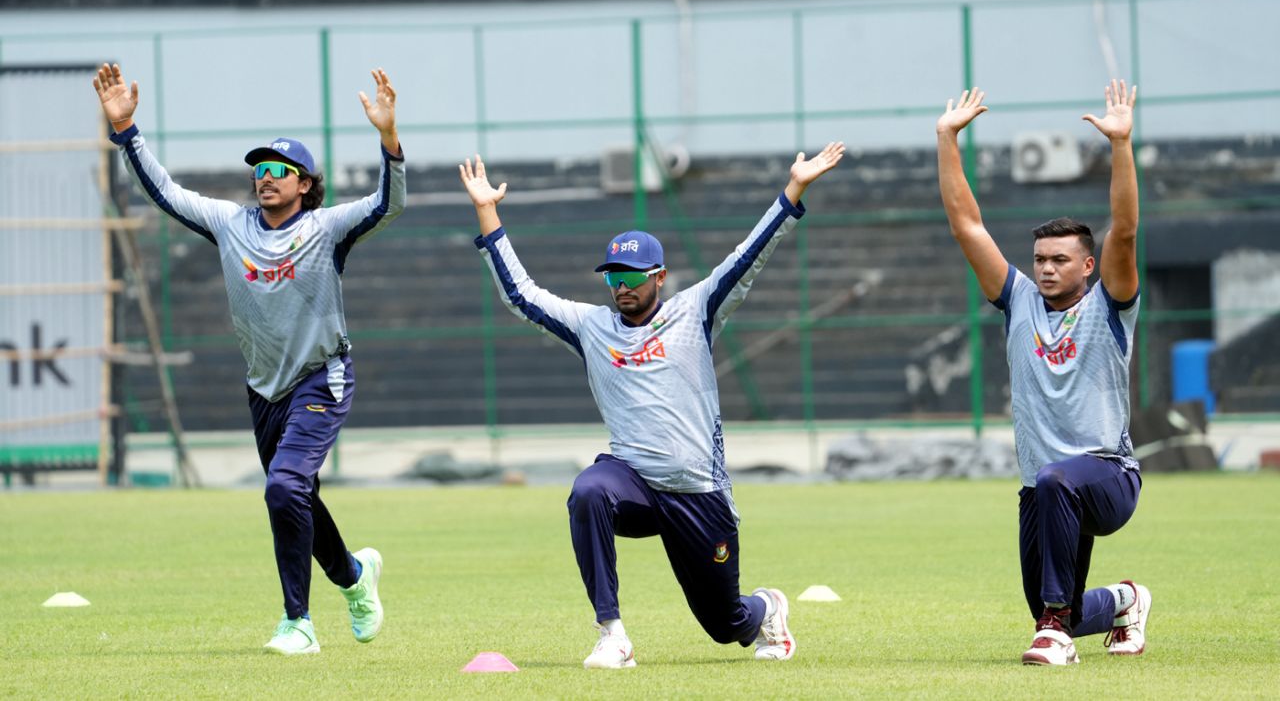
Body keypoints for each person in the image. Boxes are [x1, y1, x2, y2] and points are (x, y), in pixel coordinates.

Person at [459, 142, 845, 668]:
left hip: (698, 493)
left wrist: (793, 190)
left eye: (632, 276)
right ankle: (611, 634)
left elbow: (748, 258)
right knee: (588, 491)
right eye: (613, 277)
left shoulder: (696, 310)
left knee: (725, 623)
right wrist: (488, 211)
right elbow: (522, 296)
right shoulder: (592, 327)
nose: (621, 287)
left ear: (659, 277)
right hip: (633, 484)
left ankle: (766, 609)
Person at [93, 62, 405, 655]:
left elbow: (389, 204)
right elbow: (164, 192)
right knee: (297, 493)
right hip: (264, 389)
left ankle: (299, 624)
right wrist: (127, 130)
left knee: (285, 486)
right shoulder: (232, 225)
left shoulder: (326, 228)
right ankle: (357, 579)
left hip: (322, 376)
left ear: (305, 183)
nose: (264, 178)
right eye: (259, 170)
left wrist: (389, 141)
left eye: (278, 170)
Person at [935, 81, 1152, 666]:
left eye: (1061, 259)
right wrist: (946, 138)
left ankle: (1057, 632)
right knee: (1049, 600)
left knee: (1052, 606)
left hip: (1108, 476)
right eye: (1040, 260)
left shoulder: (1110, 304)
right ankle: (1125, 603)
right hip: (1043, 486)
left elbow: (1125, 231)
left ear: (1088, 264)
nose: (1048, 268)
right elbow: (967, 226)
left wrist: (1121, 145)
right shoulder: (1020, 303)